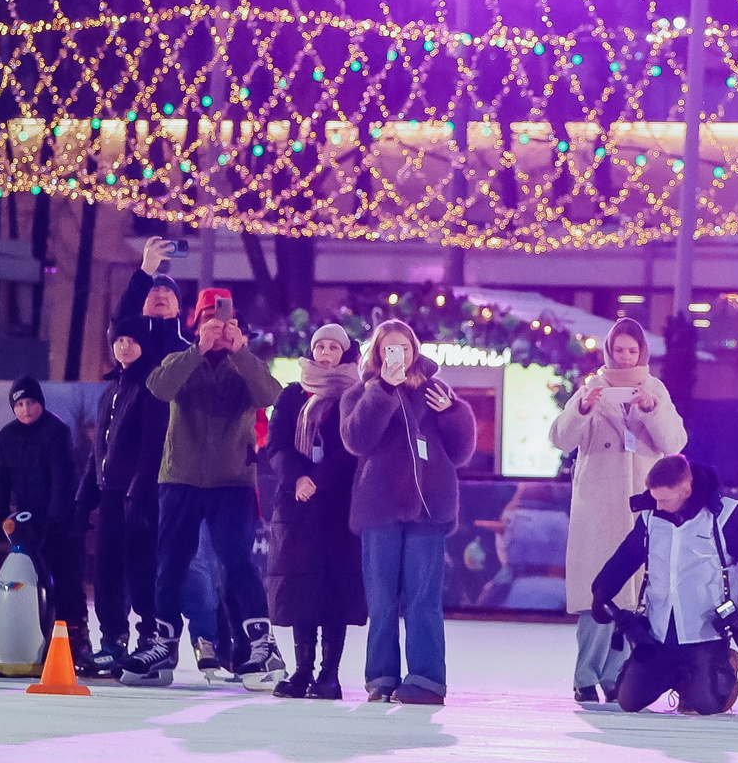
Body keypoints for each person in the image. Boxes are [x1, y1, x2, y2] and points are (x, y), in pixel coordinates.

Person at [123, 290, 284, 689]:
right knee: (172, 561)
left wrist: (241, 353)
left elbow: (271, 395)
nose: (221, 332)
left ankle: (261, 643)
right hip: (179, 477)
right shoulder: (182, 361)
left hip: (232, 482)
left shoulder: (247, 368)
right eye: (213, 324)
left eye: (230, 326)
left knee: (236, 559)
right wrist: (198, 349)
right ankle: (163, 641)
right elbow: (158, 387)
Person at [549, 316, 688, 703]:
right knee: (597, 593)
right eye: (619, 350)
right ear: (608, 351)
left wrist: (650, 409)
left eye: (632, 350)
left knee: (633, 597)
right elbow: (560, 438)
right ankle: (584, 676)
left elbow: (675, 442)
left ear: (641, 352)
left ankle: (617, 677)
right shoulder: (590, 388)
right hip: (597, 504)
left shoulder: (655, 389)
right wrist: (582, 409)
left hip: (641, 506)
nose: (625, 358)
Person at [342, 318, 476, 704]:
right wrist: (383, 389)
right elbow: (356, 438)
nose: (396, 354)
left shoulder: (435, 391)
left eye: (403, 347)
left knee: (423, 600)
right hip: (379, 508)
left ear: (415, 351)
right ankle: (381, 677)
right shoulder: (361, 392)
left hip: (428, 509)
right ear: (378, 352)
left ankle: (427, 679)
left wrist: (453, 411)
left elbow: (461, 450)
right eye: (389, 348)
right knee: (381, 600)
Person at [590, 456, 738, 716]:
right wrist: (602, 590)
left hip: (706, 633)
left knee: (705, 706)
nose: (657, 505)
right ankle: (679, 677)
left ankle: (724, 664)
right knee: (628, 701)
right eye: (654, 498)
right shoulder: (649, 517)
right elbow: (627, 557)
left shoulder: (725, 518)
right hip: (659, 631)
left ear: (686, 491)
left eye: (665, 500)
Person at [258, 323, 366, 699]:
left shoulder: (355, 394)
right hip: (296, 505)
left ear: (345, 354)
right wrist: (298, 479)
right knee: (300, 588)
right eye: (319, 345)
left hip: (337, 506)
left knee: (333, 590)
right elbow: (277, 446)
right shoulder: (291, 396)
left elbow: (351, 450)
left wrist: (317, 479)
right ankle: (302, 671)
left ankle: (329, 675)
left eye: (333, 347)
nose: (325, 352)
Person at [96, 298, 185, 671]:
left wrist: (139, 489)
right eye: (119, 341)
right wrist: (88, 492)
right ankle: (113, 638)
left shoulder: (150, 384)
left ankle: (150, 636)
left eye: (131, 340)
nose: (124, 346)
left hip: (138, 494)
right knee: (107, 568)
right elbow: (97, 447)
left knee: (142, 568)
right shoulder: (112, 388)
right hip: (111, 491)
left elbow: (153, 443)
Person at [0, 376, 87, 665]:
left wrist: (55, 519)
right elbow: (0, 477)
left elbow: (64, 477)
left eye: (31, 402)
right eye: (19, 404)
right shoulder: (7, 436)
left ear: (40, 403)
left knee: (67, 585)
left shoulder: (57, 431)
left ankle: (77, 644)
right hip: (27, 525)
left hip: (61, 524)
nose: (26, 409)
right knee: (31, 587)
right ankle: (34, 643)